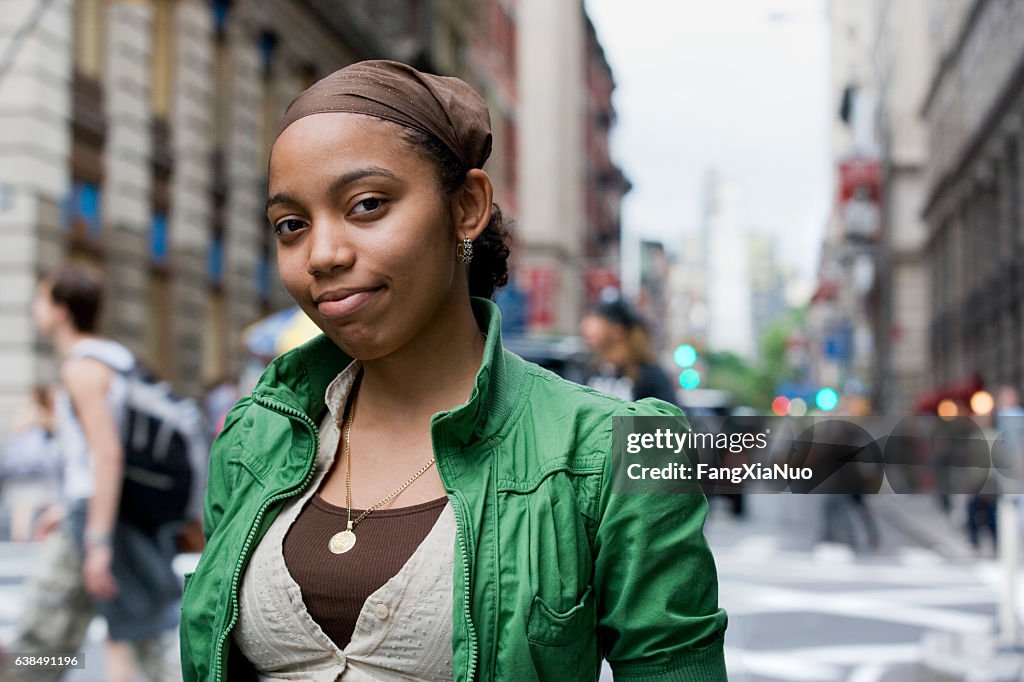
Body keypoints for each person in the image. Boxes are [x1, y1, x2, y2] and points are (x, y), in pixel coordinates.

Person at [179, 60, 727, 681]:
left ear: (466, 207)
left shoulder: (611, 448)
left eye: (366, 205)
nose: (322, 255)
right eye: (291, 225)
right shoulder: (256, 436)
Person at [6, 264, 182, 682]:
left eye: (41, 299)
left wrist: (97, 541)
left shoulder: (82, 368)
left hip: (98, 521)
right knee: (138, 633)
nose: (34, 309)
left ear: (62, 309)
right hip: (104, 515)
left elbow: (105, 455)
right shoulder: (116, 359)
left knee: (43, 638)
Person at [579, 296, 678, 403]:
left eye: (596, 320)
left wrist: (616, 420)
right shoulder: (589, 370)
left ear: (618, 330)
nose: (584, 327)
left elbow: (670, 418)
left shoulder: (649, 375)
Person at [0, 385, 60, 542]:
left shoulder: (34, 412)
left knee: (32, 508)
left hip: (32, 469)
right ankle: (23, 543)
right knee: (25, 510)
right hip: (32, 468)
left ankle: (28, 542)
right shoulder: (35, 412)